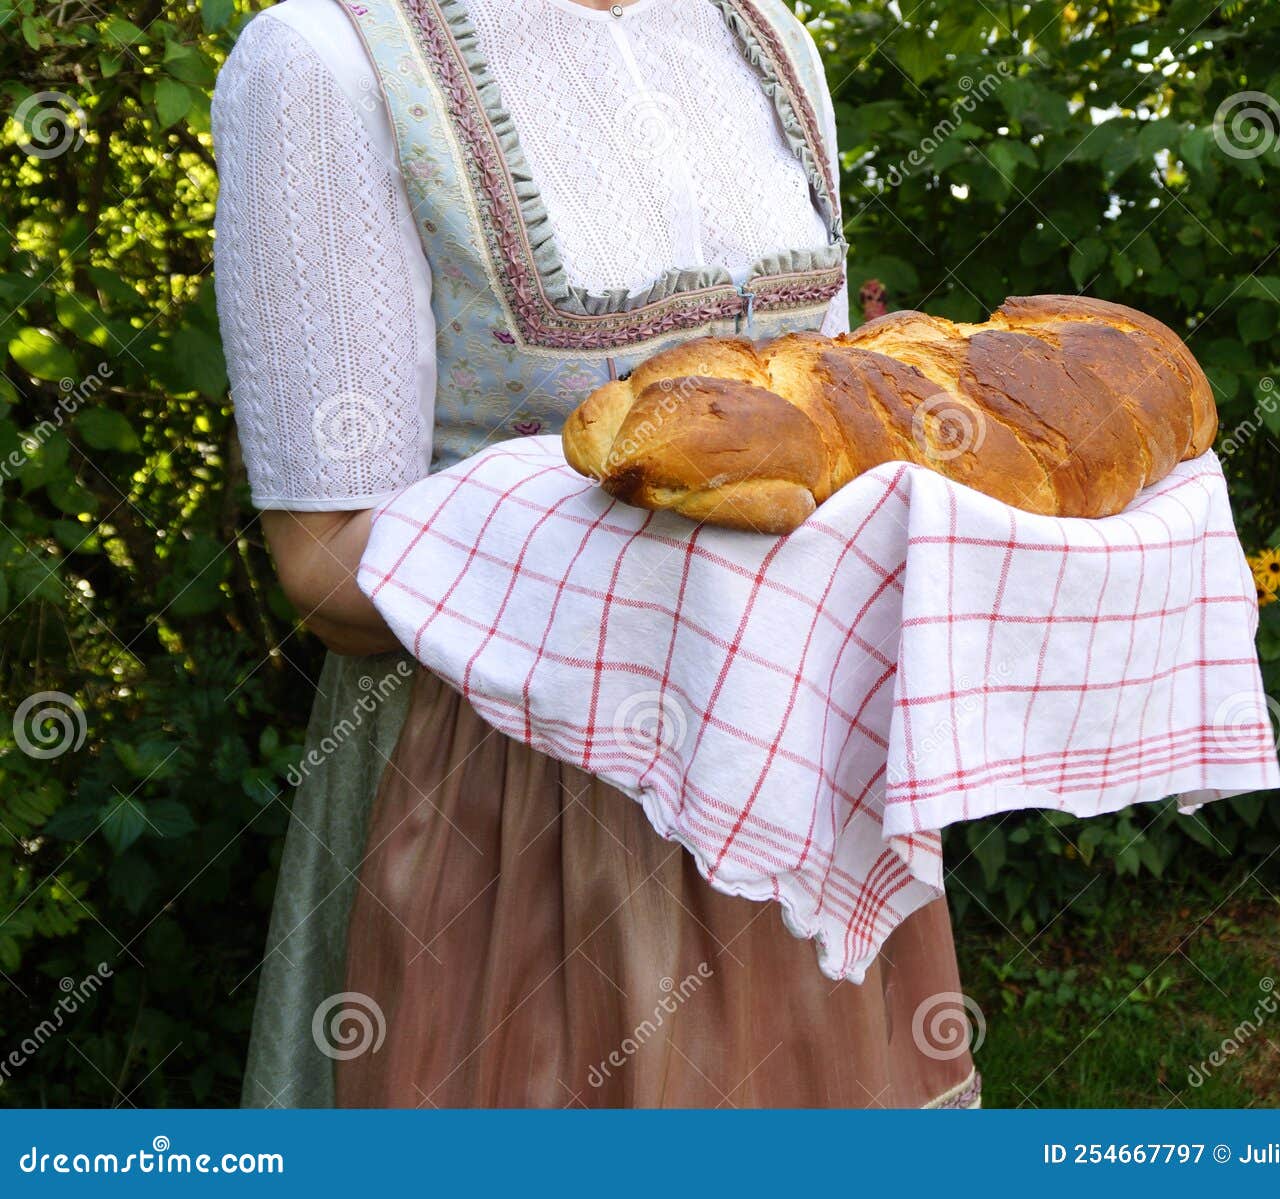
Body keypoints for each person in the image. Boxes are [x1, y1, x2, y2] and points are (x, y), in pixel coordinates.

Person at [212, 0, 979, 1108]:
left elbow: (821, 425)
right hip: (516, 811)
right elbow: (326, 568)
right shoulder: (329, 61)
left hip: (797, 771)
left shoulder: (763, 34)